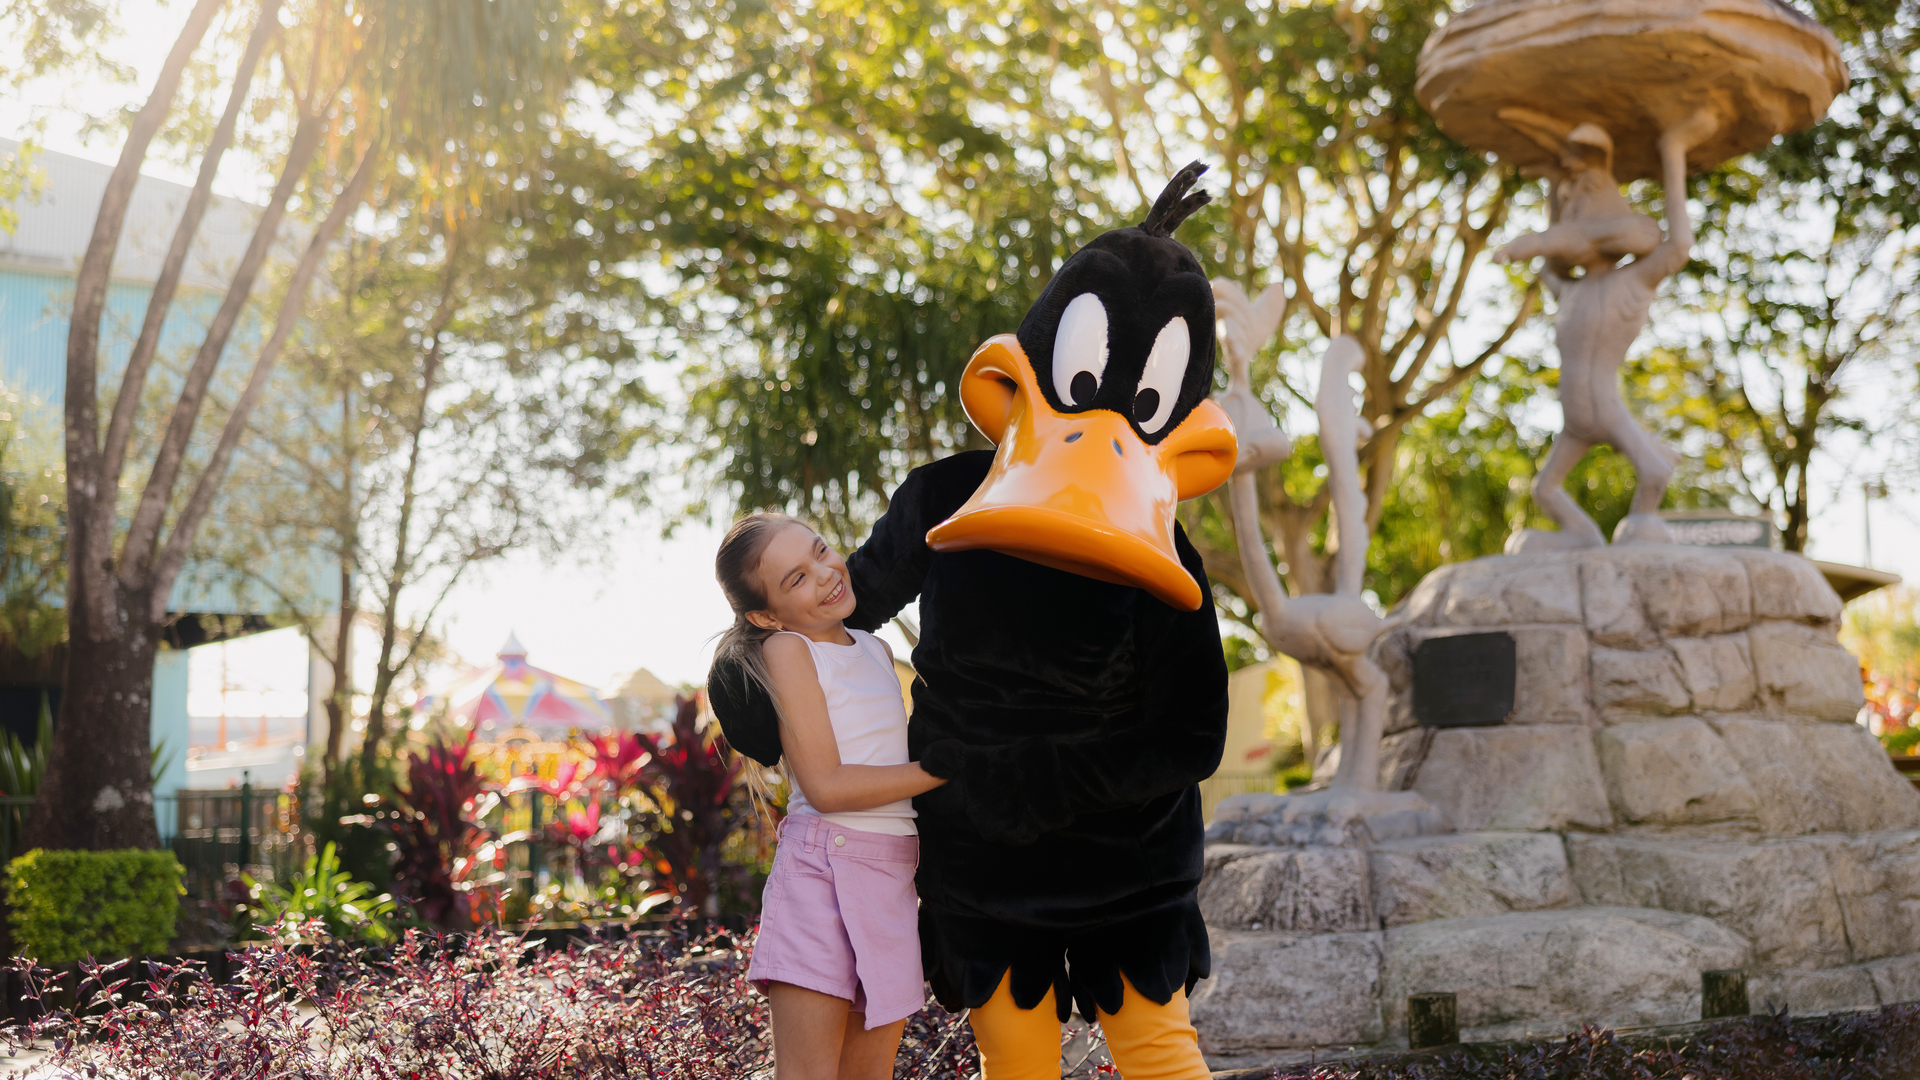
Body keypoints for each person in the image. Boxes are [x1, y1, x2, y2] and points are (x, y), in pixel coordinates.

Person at [710, 513, 947, 1080]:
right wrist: (941, 770)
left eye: (820, 551)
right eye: (795, 578)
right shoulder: (789, 651)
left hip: (891, 878)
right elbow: (827, 786)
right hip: (823, 870)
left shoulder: (875, 649)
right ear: (765, 616)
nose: (824, 573)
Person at [1494, 108, 1718, 551]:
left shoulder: (1632, 281)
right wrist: (1554, 186)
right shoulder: (1570, 291)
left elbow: (1679, 245)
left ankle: (1641, 526)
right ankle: (1584, 541)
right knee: (1544, 491)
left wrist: (1672, 151)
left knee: (1653, 472)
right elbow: (1548, 258)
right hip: (1574, 420)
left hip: (1603, 406)